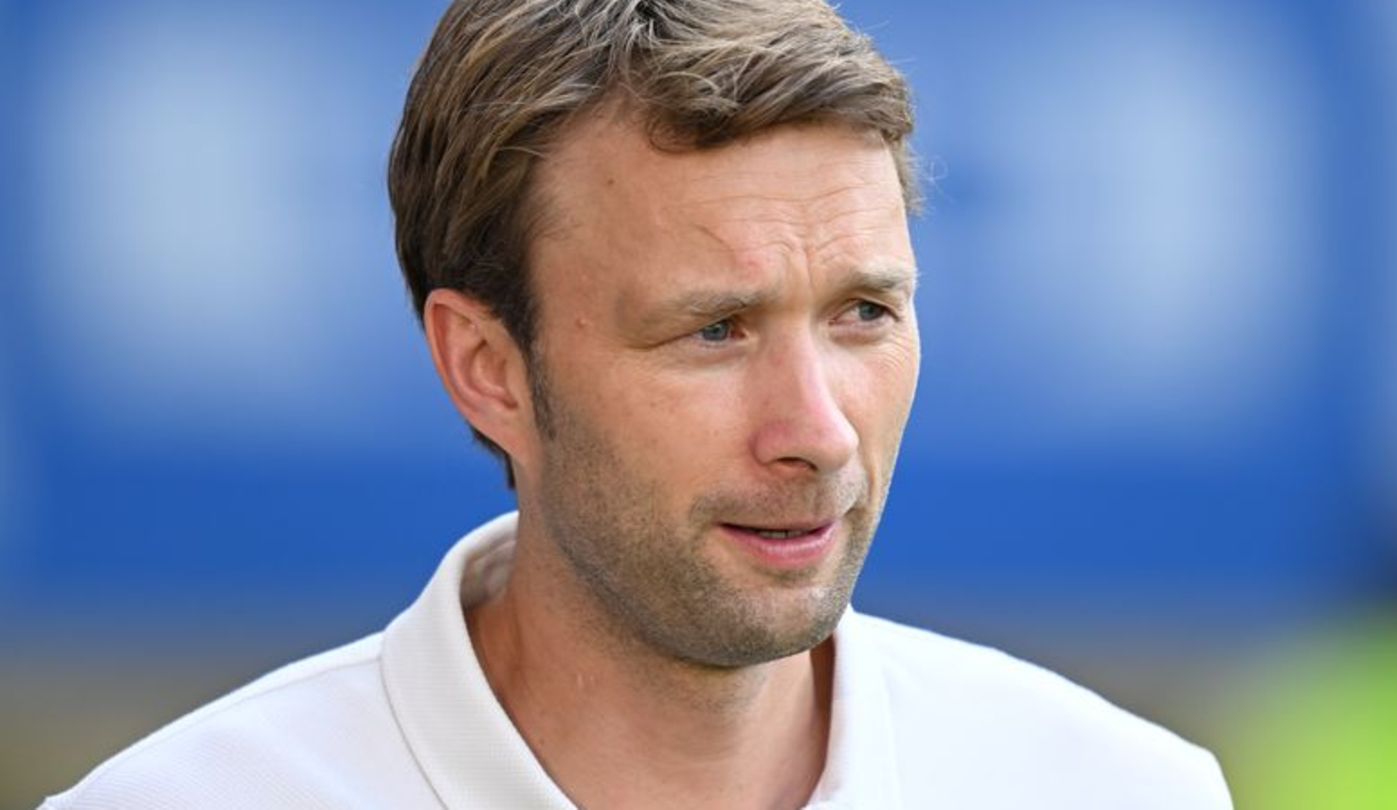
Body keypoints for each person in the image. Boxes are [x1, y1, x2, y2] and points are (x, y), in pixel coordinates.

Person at [44, 0, 1232, 807]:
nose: (816, 431)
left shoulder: (1119, 789)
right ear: (487, 366)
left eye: (863, 312)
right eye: (713, 330)